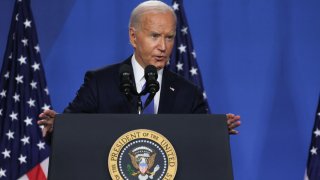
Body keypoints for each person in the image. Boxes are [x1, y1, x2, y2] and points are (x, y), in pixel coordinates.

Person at [38, 0, 240, 137]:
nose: (163, 46)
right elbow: (71, 129)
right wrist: (58, 126)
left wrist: (216, 131)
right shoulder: (101, 83)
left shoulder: (188, 93)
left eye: (169, 37)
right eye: (154, 36)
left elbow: (201, 141)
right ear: (133, 37)